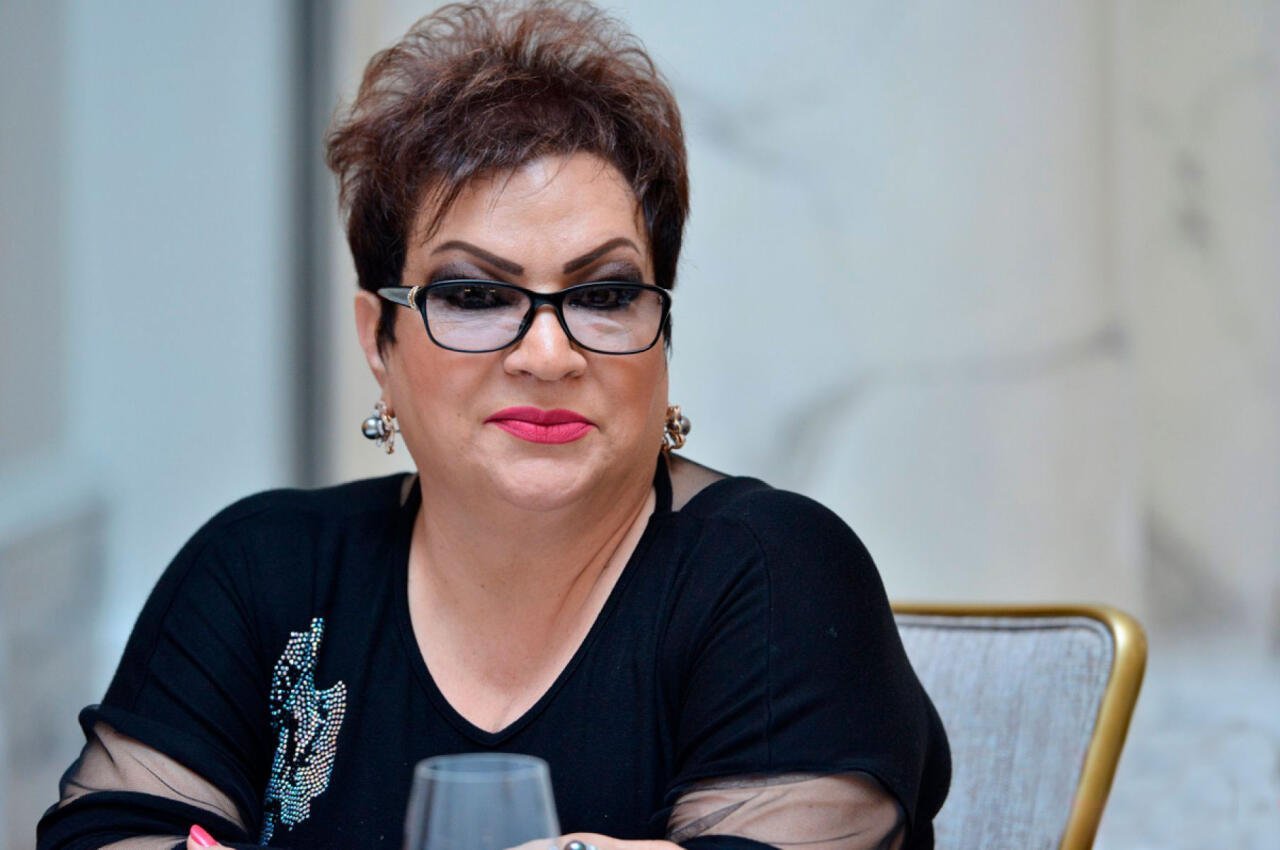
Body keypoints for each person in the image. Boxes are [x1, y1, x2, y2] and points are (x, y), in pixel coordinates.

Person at [37, 2, 949, 848]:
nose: (548, 354)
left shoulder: (772, 575)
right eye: (475, 295)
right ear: (379, 339)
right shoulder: (262, 571)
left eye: (604, 295)